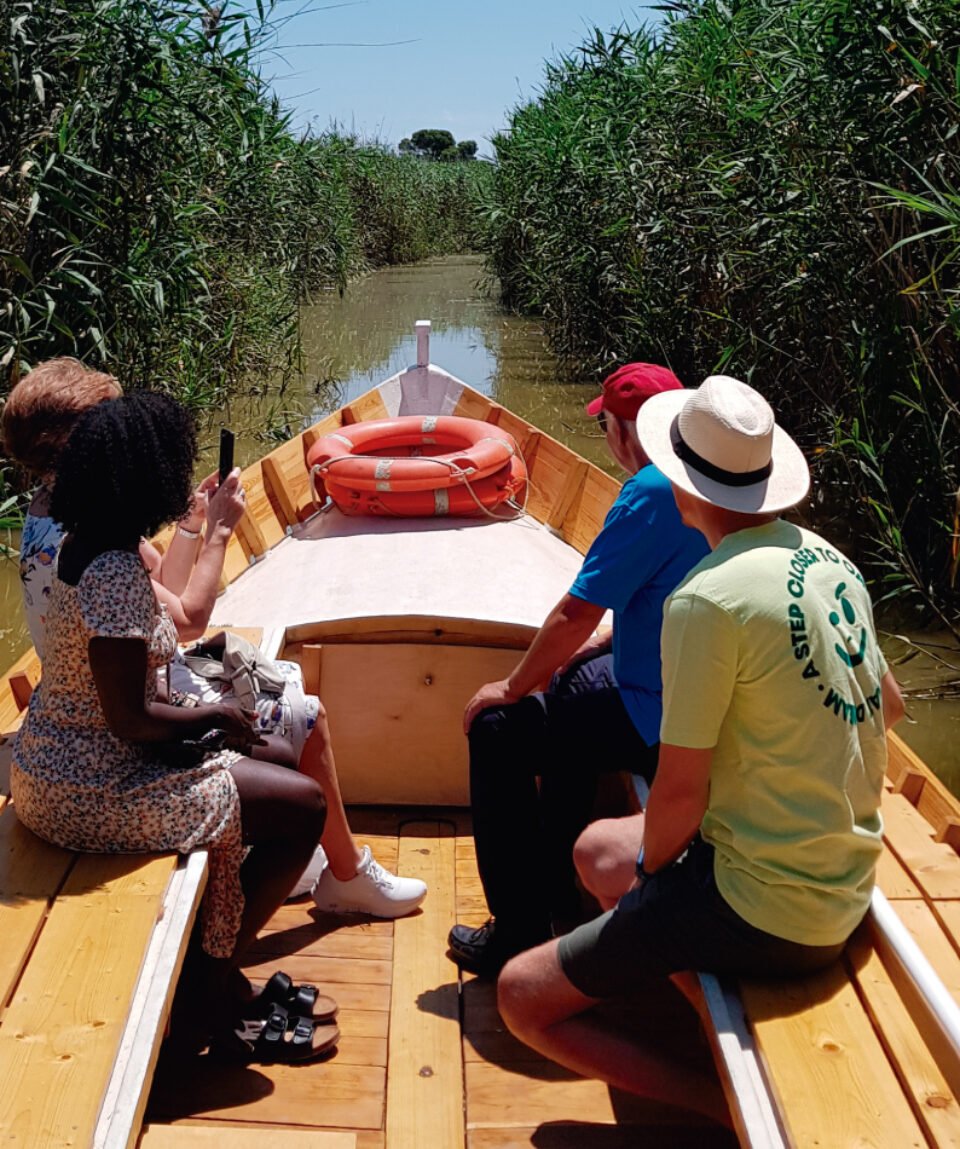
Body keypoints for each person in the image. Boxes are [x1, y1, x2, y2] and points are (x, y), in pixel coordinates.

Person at [494, 375, 905, 1124]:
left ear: (680, 483)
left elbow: (678, 795)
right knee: (595, 852)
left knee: (520, 995)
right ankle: (692, 995)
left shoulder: (705, 599)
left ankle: (713, 1104)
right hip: (845, 876)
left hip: (768, 907)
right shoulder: (828, 560)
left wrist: (653, 892)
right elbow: (890, 707)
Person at [2, 359, 427, 917]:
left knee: (273, 730)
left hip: (87, 722)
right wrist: (220, 531)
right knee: (303, 718)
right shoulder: (100, 549)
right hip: (104, 755)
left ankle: (312, 864)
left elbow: (152, 603)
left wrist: (190, 526)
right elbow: (181, 622)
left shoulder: (50, 517)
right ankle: (339, 873)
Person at [10, 393, 337, 1061]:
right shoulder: (108, 569)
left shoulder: (92, 541)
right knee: (303, 806)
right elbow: (129, 718)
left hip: (70, 752)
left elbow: (128, 696)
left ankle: (216, 958)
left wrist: (216, 724)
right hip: (90, 782)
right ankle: (204, 985)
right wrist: (215, 713)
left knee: (278, 753)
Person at [447, 364, 709, 974]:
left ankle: (517, 930)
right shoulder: (711, 486)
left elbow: (574, 611)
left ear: (626, 434)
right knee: (571, 690)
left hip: (665, 717)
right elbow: (664, 593)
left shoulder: (648, 492)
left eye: (610, 428)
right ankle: (557, 885)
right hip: (695, 695)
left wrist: (509, 686)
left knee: (501, 728)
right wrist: (601, 642)